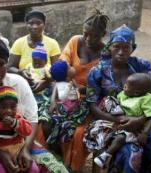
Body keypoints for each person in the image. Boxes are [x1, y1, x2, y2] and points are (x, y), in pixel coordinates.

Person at [0, 34, 68, 173]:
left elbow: (32, 120)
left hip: (19, 143)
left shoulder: (19, 83)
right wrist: (0, 155)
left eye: (1, 64)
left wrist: (25, 150)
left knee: (57, 170)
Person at [85, 25, 151, 173]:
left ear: (133, 48)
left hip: (142, 120)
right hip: (109, 121)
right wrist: (121, 121)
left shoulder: (141, 66)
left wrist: (139, 119)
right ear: (110, 47)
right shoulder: (98, 71)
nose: (121, 52)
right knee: (130, 153)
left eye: (126, 48)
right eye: (116, 47)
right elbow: (92, 105)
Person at [53, 10, 110, 171]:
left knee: (79, 133)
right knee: (52, 121)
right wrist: (55, 98)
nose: (88, 39)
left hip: (91, 100)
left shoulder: (106, 54)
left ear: (103, 34)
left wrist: (83, 89)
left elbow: (104, 87)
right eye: (85, 34)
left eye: (94, 36)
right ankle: (59, 161)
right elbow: (61, 70)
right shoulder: (75, 41)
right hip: (67, 93)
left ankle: (73, 166)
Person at [93, 73, 151, 168]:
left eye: (126, 86)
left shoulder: (146, 99)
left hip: (136, 129)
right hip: (121, 124)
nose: (124, 87)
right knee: (107, 138)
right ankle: (106, 158)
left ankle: (106, 156)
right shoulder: (124, 94)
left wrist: (145, 133)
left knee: (119, 139)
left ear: (136, 92)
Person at [8, 10, 60, 93]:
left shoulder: (52, 43)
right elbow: (10, 67)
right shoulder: (19, 43)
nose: (35, 27)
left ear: (44, 25)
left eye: (39, 23)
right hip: (24, 84)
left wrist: (46, 82)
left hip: (47, 85)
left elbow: (57, 70)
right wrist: (20, 72)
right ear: (26, 24)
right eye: (31, 23)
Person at [45, 60, 88, 144]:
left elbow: (77, 89)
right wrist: (69, 87)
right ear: (66, 75)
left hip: (74, 102)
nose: (72, 67)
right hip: (67, 106)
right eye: (69, 67)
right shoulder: (61, 85)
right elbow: (62, 97)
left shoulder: (71, 80)